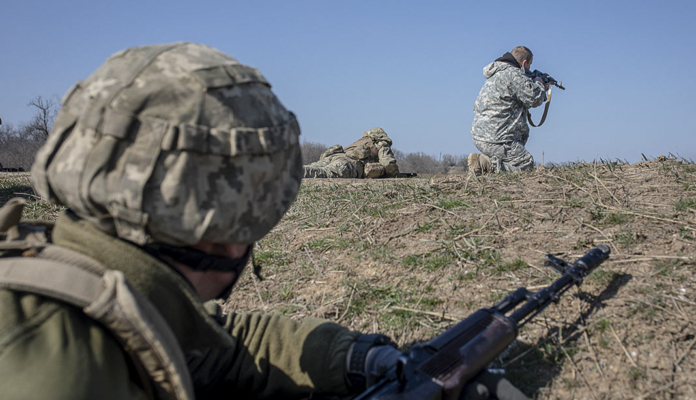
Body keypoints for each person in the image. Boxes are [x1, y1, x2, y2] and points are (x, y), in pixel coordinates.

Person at [0, 42, 526, 400]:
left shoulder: (82, 281)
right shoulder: (64, 379)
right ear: (225, 230)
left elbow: (219, 345)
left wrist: (362, 360)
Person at [469, 46, 549, 175]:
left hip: (481, 135)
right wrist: (540, 83)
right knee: (525, 164)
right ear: (524, 63)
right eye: (529, 64)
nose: (529, 68)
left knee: (515, 157)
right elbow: (535, 98)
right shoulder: (514, 75)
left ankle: (485, 165)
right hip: (497, 138)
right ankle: (487, 164)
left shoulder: (497, 73)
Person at [303, 128, 400, 179]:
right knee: (323, 174)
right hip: (349, 163)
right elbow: (388, 164)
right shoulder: (381, 143)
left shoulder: (362, 140)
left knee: (313, 167)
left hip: (334, 156)